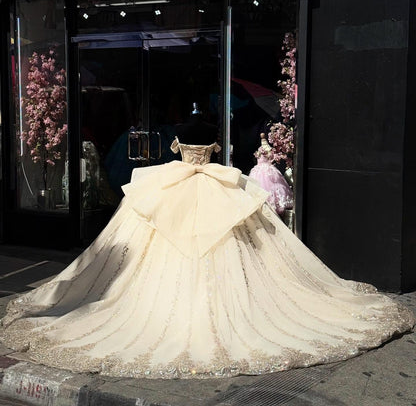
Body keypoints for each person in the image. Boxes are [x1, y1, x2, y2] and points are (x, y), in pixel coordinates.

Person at [1, 125, 415, 379]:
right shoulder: (218, 171)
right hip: (200, 185)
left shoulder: (171, 171)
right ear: (213, 144)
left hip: (186, 185)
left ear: (180, 143)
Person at [249, 133, 293, 215]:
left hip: (268, 171)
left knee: (273, 188)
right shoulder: (261, 149)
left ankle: (274, 206)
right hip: (261, 171)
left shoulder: (268, 149)